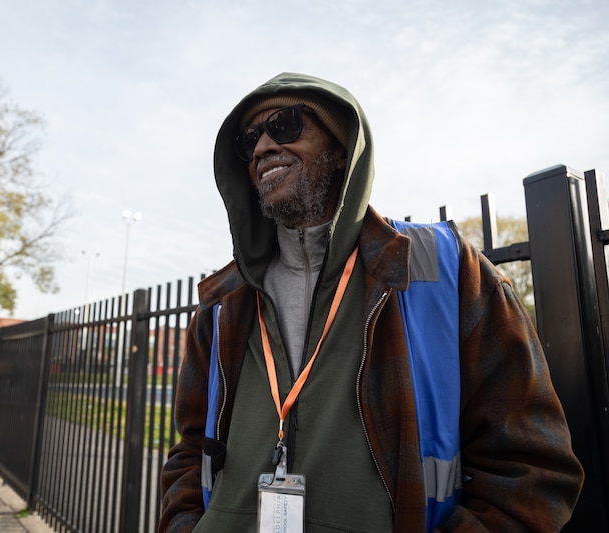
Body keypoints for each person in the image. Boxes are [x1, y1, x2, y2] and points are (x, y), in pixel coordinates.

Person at [159, 73, 584, 532]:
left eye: (283, 125)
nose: (262, 147)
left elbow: (533, 469)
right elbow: (188, 450)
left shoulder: (444, 269)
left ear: (343, 148)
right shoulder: (224, 302)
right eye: (249, 139)